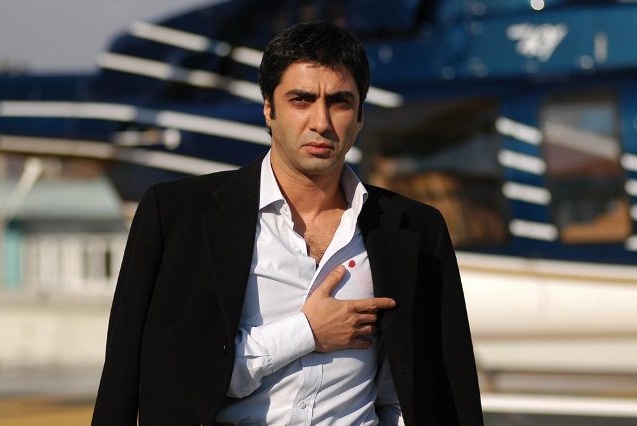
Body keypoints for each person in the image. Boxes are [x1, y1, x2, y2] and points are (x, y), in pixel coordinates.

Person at [92, 21, 483, 425]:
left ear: (360, 116)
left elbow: (441, 386)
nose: (321, 122)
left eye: (340, 102)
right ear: (269, 109)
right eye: (301, 100)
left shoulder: (416, 229)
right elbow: (151, 374)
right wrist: (306, 331)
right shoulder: (176, 216)